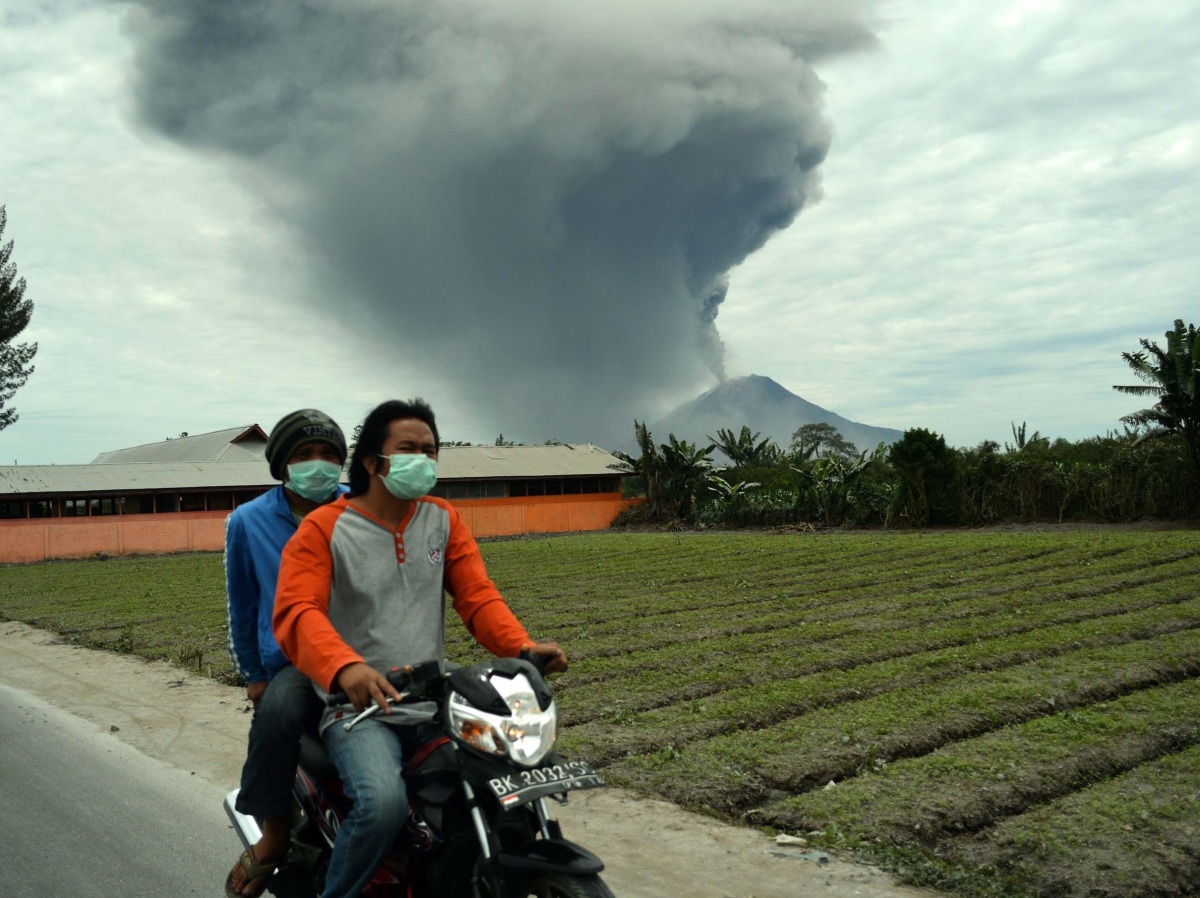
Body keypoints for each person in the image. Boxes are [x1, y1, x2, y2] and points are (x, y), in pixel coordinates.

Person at [272, 398, 567, 898]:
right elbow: (297, 612)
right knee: (383, 804)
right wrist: (346, 669)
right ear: (372, 462)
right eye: (408, 448)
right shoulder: (322, 529)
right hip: (360, 709)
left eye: (430, 450)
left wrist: (521, 647)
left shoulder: (442, 518)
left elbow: (476, 596)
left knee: (497, 779)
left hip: (435, 699)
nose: (422, 460)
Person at [225, 409, 349, 898]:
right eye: (303, 455)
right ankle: (272, 833)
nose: (317, 464)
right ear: (281, 465)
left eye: (328, 455)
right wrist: (254, 674)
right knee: (275, 716)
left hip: (359, 655)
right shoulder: (248, 521)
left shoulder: (360, 511)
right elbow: (243, 601)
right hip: (292, 662)